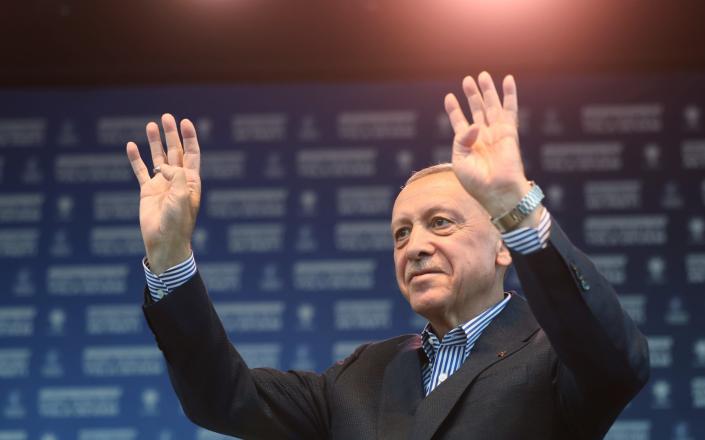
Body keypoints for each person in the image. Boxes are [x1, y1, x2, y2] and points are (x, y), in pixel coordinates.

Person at [126, 72, 650, 439]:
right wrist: (171, 259)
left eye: (440, 223)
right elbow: (224, 398)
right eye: (400, 234)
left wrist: (516, 206)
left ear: (501, 246)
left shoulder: (554, 356)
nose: (415, 246)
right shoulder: (360, 376)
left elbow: (615, 357)